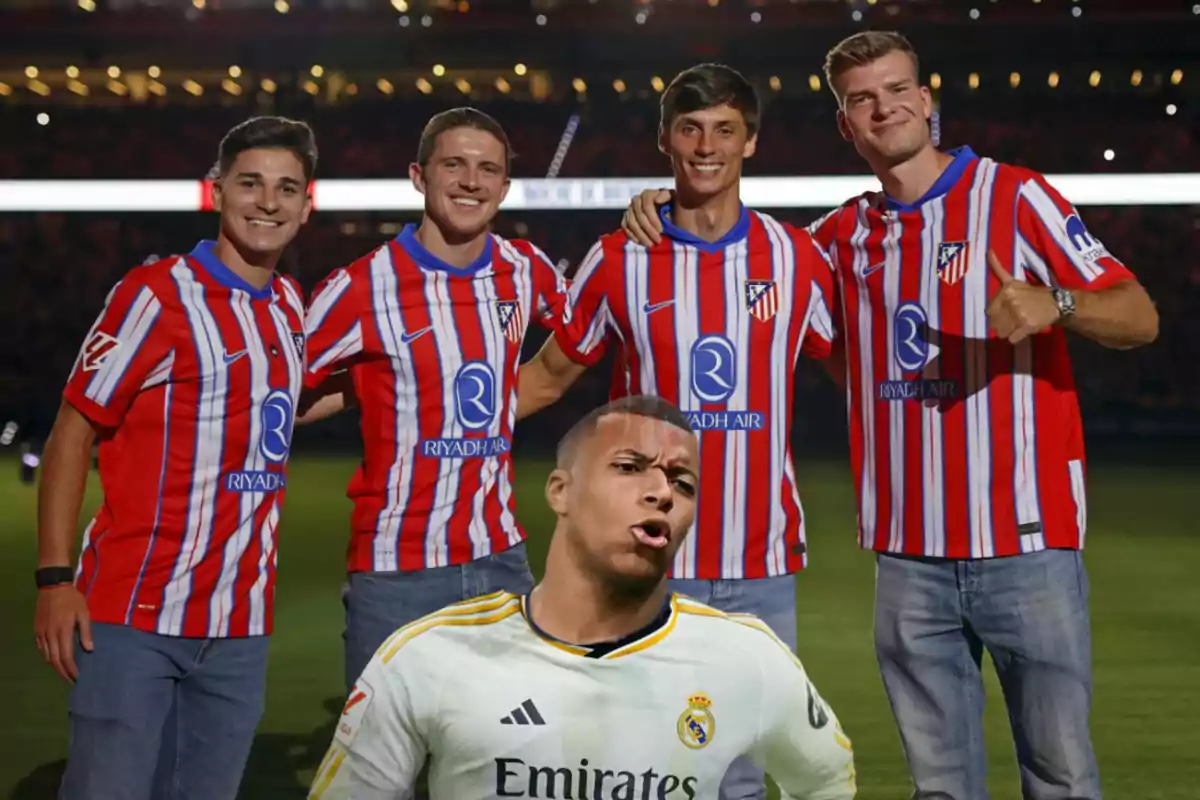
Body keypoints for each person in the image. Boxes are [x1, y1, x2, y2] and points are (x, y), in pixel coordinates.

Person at [620, 31, 1160, 800]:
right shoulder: (841, 238)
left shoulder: (1015, 197)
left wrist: (1057, 303)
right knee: (939, 786)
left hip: (1026, 543)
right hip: (906, 562)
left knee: (1061, 773)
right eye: (862, 98)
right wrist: (660, 203)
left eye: (898, 88)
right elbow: (735, 253)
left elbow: (1140, 316)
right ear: (846, 124)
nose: (885, 107)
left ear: (927, 100)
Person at [515, 63, 837, 800]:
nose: (706, 146)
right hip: (646, 560)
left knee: (744, 772)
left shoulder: (799, 259)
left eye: (725, 130)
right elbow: (548, 376)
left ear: (751, 142)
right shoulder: (620, 256)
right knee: (637, 766)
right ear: (666, 140)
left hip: (759, 565)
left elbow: (859, 370)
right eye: (690, 129)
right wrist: (422, 419)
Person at [307, 395, 857, 800]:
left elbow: (827, 780)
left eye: (682, 483)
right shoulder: (429, 657)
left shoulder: (746, 658)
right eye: (629, 467)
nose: (662, 492)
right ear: (560, 491)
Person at [34, 115, 316, 799]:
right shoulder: (157, 295)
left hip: (240, 626)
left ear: (308, 206)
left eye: (286, 188)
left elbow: (269, 404)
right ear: (215, 191)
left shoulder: (287, 305)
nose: (267, 202)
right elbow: (74, 428)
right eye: (249, 184)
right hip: (135, 617)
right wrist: (54, 578)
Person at [298, 106, 568, 694]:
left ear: (504, 186)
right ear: (419, 176)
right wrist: (370, 388)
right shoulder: (360, 288)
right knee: (381, 773)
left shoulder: (527, 271)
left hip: (501, 560)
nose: (472, 181)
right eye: (455, 165)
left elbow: (591, 332)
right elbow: (276, 394)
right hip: (398, 568)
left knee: (503, 763)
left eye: (487, 169)